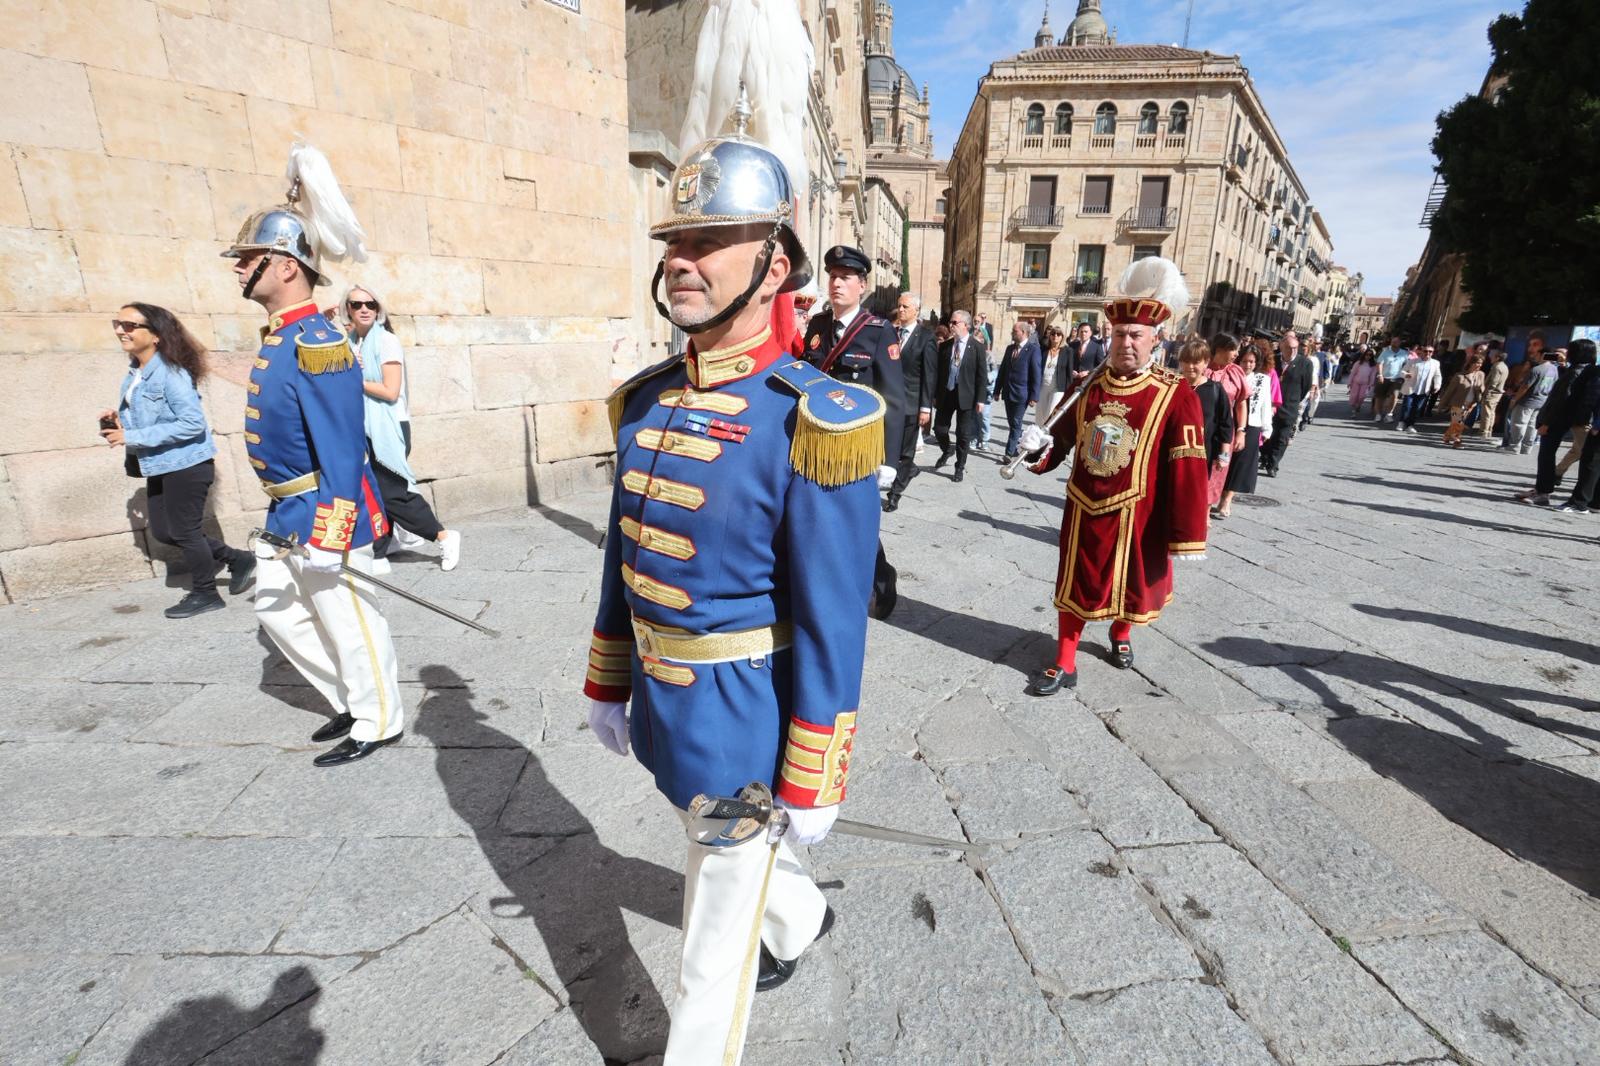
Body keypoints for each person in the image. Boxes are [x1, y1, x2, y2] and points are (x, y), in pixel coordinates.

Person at [583, 115, 881, 1066]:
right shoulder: (648, 401)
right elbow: (621, 559)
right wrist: (607, 677)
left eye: (711, 242)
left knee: (711, 943)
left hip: (748, 712)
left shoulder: (818, 419)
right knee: (727, 861)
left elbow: (835, 618)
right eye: (675, 242)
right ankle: (799, 918)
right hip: (667, 701)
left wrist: (817, 769)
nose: (682, 261)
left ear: (776, 266)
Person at [222, 142, 403, 767]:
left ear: (286, 267)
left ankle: (379, 718)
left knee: (350, 618)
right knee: (280, 613)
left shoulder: (319, 341)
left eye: (249, 259)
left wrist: (335, 523)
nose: (238, 268)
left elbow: (343, 444)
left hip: (325, 509)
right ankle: (352, 698)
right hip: (284, 511)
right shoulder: (282, 337)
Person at [1014, 257, 1208, 696]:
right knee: (1074, 584)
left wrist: (1187, 532)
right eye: (1119, 334)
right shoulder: (1087, 386)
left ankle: (1121, 635)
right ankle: (1064, 660)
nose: (1126, 343)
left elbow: (1188, 465)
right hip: (1084, 506)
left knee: (1132, 587)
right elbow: (1058, 442)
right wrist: (1035, 449)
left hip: (1140, 511)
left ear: (1154, 339)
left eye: (1136, 335)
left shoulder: (1175, 394)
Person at [99, 303, 254, 618]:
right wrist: (121, 425)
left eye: (130, 325)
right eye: (118, 323)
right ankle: (238, 559)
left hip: (187, 464)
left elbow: (192, 424)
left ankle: (206, 593)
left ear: (155, 335)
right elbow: (156, 419)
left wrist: (133, 437)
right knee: (164, 532)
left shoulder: (170, 373)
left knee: (185, 531)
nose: (120, 330)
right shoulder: (135, 373)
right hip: (160, 463)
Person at [802, 245, 904, 617]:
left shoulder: (879, 331)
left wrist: (889, 460)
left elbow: (894, 398)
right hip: (817, 443)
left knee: (857, 522)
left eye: (845, 278)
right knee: (816, 519)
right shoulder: (817, 327)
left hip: (859, 447)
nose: (837, 284)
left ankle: (881, 579)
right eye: (832, 276)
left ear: (862, 285)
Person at [343, 285, 462, 573]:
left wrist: (352, 378)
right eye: (357, 304)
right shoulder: (350, 342)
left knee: (395, 491)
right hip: (365, 427)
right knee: (376, 489)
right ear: (347, 308)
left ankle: (443, 536)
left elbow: (390, 391)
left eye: (370, 304)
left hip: (388, 427)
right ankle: (383, 547)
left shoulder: (386, 342)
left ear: (378, 309)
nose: (364, 309)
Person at [1523, 340, 1600, 506]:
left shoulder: (1576, 373)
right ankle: (1542, 488)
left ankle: (1543, 492)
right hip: (1566, 419)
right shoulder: (1584, 370)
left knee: (1546, 455)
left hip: (1556, 420)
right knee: (1549, 454)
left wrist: (1547, 423)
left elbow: (1561, 399)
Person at [884, 291, 937, 512]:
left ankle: (895, 492)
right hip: (888, 402)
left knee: (906, 451)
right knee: (887, 449)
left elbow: (929, 374)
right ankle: (902, 473)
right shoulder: (890, 332)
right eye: (899, 306)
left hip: (911, 403)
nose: (901, 310)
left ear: (916, 310)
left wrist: (925, 407)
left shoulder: (926, 337)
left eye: (905, 307)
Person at [1218, 342, 1274, 517]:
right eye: (1244, 361)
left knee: (1240, 465)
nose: (1247, 365)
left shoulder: (1263, 380)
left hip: (1252, 425)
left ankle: (1227, 499)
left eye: (1251, 361)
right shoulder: (1230, 375)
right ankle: (1217, 493)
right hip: (1230, 423)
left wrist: (1267, 428)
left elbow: (1266, 403)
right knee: (1224, 459)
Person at [932, 310, 988, 482]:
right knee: (939, 429)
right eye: (951, 322)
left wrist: (981, 399)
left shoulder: (977, 347)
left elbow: (982, 375)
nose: (951, 325)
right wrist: (934, 395)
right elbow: (938, 373)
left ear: (966, 325)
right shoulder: (946, 346)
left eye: (955, 323)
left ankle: (959, 466)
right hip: (947, 393)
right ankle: (947, 449)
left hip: (967, 396)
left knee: (963, 434)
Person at [1258, 330, 1315, 476]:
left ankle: (1273, 464)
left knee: (1282, 437)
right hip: (1270, 404)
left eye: (1295, 348)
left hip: (1290, 405)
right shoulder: (1274, 360)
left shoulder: (1305, 363)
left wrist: (1295, 399)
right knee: (1267, 433)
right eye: (1289, 348)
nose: (1293, 351)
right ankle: (1265, 456)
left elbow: (1306, 385)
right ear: (1282, 347)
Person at [1180, 341, 1233, 494]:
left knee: (1195, 493)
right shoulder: (1172, 386)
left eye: (1196, 362)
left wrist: (1223, 455)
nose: (1190, 366)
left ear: (1206, 363)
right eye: (1186, 361)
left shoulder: (1215, 390)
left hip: (1203, 454)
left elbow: (1225, 424)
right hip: (1173, 451)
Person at [1203, 332, 1248, 508]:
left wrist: (1241, 431)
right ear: (1220, 349)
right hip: (1202, 429)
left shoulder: (1235, 372)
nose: (1237, 354)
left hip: (1225, 432)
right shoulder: (1202, 368)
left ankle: (1206, 510)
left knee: (1218, 469)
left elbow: (1241, 403)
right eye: (1233, 350)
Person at [992, 320, 1042, 460]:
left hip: (1022, 393)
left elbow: (1036, 373)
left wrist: (1034, 396)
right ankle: (1016, 446)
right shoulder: (1010, 349)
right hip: (1008, 392)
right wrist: (997, 390)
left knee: (1016, 422)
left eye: (1015, 331)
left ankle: (1008, 453)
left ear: (1024, 333)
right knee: (1012, 422)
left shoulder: (1033, 349)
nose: (1012, 334)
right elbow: (1002, 370)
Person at [1503, 340, 1557, 454]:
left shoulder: (1536, 369)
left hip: (1527, 401)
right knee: (1532, 425)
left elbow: (1525, 387)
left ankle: (1514, 446)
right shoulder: (1554, 370)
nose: (1535, 356)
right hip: (1542, 401)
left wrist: (1514, 399)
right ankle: (1527, 447)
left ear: (1543, 355)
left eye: (1537, 354)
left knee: (1519, 423)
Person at [1437, 351, 1484, 447]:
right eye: (1477, 362)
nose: (1479, 365)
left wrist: (1481, 389)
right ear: (1471, 363)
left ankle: (1447, 436)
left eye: (1481, 363)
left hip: (1471, 404)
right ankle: (1457, 441)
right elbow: (1449, 391)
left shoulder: (1481, 375)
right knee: (1458, 422)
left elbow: (1482, 386)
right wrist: (1442, 404)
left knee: (1459, 423)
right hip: (1457, 404)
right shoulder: (1459, 376)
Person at [1397, 344, 1442, 433]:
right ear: (1421, 351)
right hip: (1410, 388)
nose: (1427, 353)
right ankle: (1401, 422)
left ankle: (1410, 425)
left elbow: (1437, 375)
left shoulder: (1435, 363)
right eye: (1425, 351)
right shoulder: (1413, 361)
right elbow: (1402, 371)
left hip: (1424, 390)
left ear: (1433, 353)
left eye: (1430, 351)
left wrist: (1437, 385)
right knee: (1407, 406)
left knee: (1417, 408)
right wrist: (1406, 375)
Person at [1036, 324, 1068, 426]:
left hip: (1057, 387)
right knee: (1040, 414)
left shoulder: (1067, 351)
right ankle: (1038, 436)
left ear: (1062, 337)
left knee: (1051, 413)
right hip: (1043, 386)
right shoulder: (1043, 350)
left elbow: (1069, 372)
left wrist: (1068, 391)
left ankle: (1048, 437)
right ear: (1050, 336)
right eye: (1053, 334)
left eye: (1058, 334)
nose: (1055, 336)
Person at [1374, 335, 1411, 423]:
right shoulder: (1385, 352)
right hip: (1384, 377)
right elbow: (1379, 364)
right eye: (1392, 342)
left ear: (1399, 343)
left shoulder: (1404, 353)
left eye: (1395, 342)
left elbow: (1407, 365)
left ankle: (1389, 414)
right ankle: (1378, 414)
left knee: (1395, 396)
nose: (1393, 343)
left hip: (1397, 378)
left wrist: (1406, 374)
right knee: (1380, 397)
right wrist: (1380, 375)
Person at [1475, 345, 1507, 441]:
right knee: (1491, 412)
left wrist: (1487, 392)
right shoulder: (1504, 366)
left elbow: (1494, 382)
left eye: (1492, 356)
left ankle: (1483, 432)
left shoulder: (1497, 367)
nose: (1490, 358)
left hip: (1492, 393)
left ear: (1497, 357)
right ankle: (1488, 431)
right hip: (1497, 393)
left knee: (1486, 413)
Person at [1347, 349, 1377, 416]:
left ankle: (1359, 405)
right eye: (1367, 354)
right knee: (1354, 396)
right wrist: (1349, 382)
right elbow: (1353, 373)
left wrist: (1371, 384)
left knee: (1362, 396)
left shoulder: (1373, 365)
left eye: (1370, 355)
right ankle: (1354, 410)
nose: (1368, 356)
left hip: (1365, 383)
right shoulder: (1358, 363)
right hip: (1356, 382)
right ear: (1364, 355)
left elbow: (1372, 375)